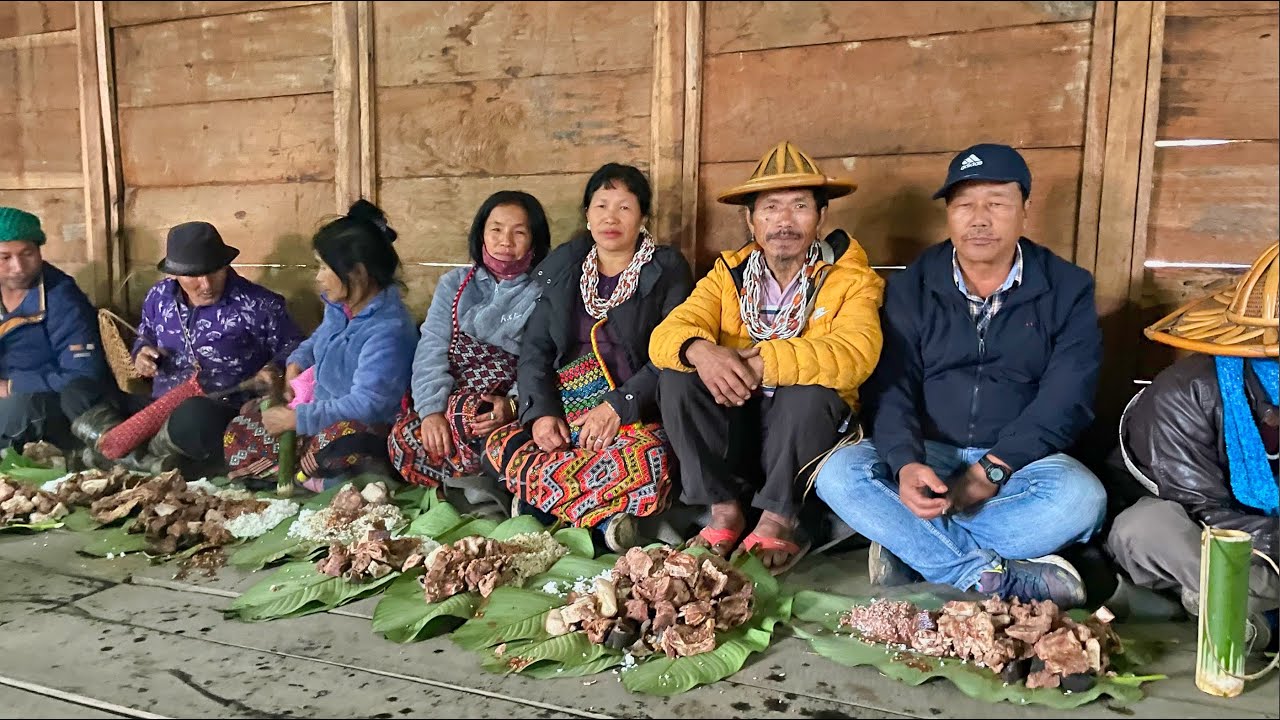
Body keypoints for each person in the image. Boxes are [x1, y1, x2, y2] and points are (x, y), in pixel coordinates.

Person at [813, 143, 1107, 608]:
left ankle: (913, 548)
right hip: (930, 453)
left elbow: (1067, 397)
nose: (979, 219)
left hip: (1021, 465)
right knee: (837, 474)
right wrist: (906, 463)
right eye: (965, 204)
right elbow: (891, 385)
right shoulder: (912, 286)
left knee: (1081, 500)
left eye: (996, 203)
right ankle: (985, 574)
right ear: (949, 214)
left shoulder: (1067, 288)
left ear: (1025, 211)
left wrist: (994, 467)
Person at [649, 141, 885, 575]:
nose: (784, 221)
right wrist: (700, 350)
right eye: (771, 208)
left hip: (804, 434)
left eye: (799, 206)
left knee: (808, 392)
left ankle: (779, 517)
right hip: (741, 422)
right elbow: (666, 336)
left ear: (820, 217)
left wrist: (763, 363)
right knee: (677, 379)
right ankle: (725, 511)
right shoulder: (728, 275)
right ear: (750, 219)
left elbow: (855, 354)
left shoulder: (850, 278)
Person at [484, 163, 692, 551]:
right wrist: (542, 414)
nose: (610, 217)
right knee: (501, 444)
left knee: (649, 459)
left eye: (625, 207)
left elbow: (672, 352)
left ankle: (546, 504)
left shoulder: (666, 270)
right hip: (569, 414)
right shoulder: (565, 270)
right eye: (601, 206)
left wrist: (619, 406)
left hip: (636, 418)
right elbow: (536, 351)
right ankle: (605, 516)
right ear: (587, 214)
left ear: (643, 216)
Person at [1105, 244, 1278, 649]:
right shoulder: (1186, 392)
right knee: (1143, 529)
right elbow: (1203, 511)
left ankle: (1222, 605)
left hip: (1267, 551)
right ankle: (1234, 604)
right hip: (1201, 538)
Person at [74, 221, 303, 473]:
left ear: (225, 265)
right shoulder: (158, 298)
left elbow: (294, 346)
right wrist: (141, 353)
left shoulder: (259, 304)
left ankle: (119, 453)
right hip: (157, 405)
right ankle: (145, 460)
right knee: (78, 392)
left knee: (194, 417)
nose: (205, 284)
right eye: (193, 276)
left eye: (214, 271)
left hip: (219, 408)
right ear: (174, 273)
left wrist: (275, 368)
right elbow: (146, 335)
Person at [224, 200, 418, 491]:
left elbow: (369, 405)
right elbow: (318, 339)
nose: (318, 276)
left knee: (341, 443)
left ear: (358, 274)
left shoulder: (389, 330)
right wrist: (297, 362)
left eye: (324, 267)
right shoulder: (341, 306)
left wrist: (298, 419)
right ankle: (302, 473)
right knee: (247, 419)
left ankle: (310, 475)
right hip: (321, 412)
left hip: (368, 427)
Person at [388, 191, 550, 489]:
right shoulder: (454, 284)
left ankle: (477, 481)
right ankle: (479, 483)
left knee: (478, 419)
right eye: (496, 229)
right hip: (451, 400)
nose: (506, 241)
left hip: (502, 408)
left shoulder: (542, 291)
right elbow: (432, 347)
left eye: (519, 233)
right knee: (404, 439)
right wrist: (431, 411)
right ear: (482, 234)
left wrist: (512, 405)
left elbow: (541, 359)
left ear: (535, 241)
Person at [0, 207, 110, 450]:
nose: (18, 267)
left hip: (49, 406)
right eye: (5, 257)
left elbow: (83, 376)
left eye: (27, 253)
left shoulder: (62, 299)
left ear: (39, 250)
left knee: (19, 409)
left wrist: (12, 386)